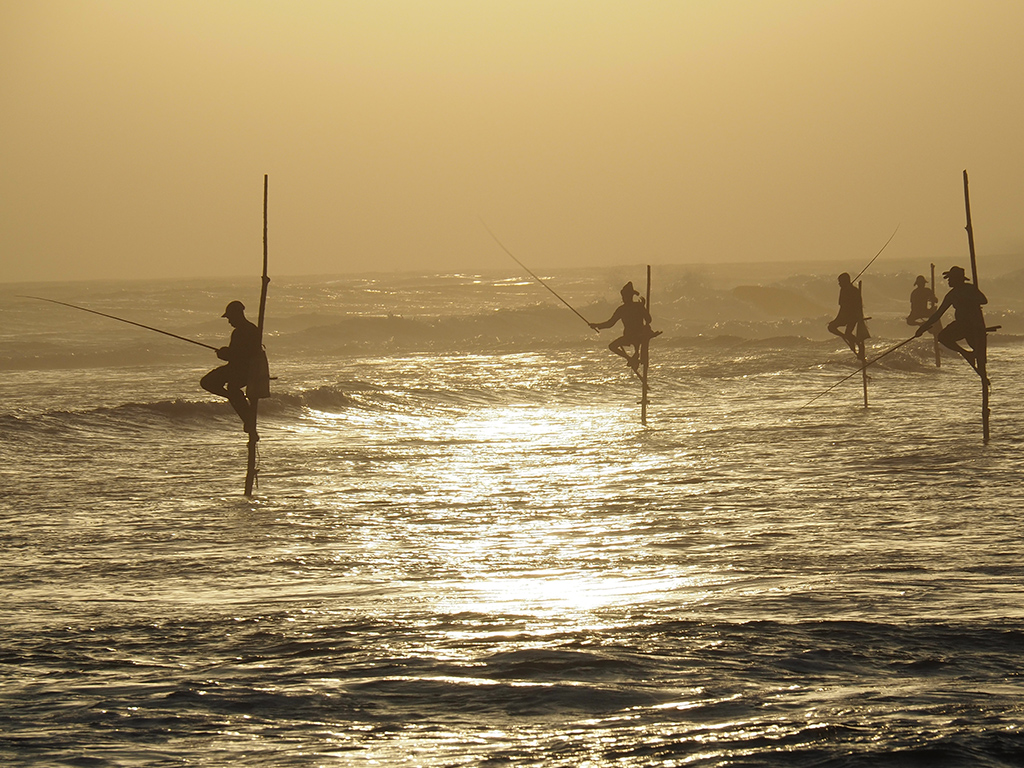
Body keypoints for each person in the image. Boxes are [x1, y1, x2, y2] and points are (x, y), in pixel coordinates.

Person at [201, 300, 261, 437]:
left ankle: (238, 403)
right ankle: (235, 399)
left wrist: (224, 353)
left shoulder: (242, 331)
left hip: (243, 370)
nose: (229, 321)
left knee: (227, 387)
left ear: (237, 315)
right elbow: (237, 353)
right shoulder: (249, 329)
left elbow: (239, 355)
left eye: (230, 318)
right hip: (237, 368)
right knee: (208, 383)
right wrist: (226, 353)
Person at [915, 265, 988, 375]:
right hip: (961, 325)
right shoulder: (952, 295)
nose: (948, 281)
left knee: (980, 355)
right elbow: (938, 314)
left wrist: (967, 299)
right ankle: (966, 353)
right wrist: (923, 328)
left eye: (951, 279)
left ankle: (981, 371)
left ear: (957, 279)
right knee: (943, 337)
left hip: (975, 325)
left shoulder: (970, 288)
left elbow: (983, 300)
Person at [590, 282, 658, 372]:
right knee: (612, 346)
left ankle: (635, 356)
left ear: (630, 296)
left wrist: (643, 308)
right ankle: (631, 358)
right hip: (630, 336)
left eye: (626, 296)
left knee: (636, 340)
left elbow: (648, 320)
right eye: (623, 296)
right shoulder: (624, 309)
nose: (624, 298)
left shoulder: (635, 307)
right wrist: (596, 325)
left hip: (638, 336)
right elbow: (610, 323)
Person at [827, 272, 867, 353]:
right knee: (833, 328)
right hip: (846, 316)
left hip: (852, 317)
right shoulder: (844, 290)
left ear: (845, 281)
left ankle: (856, 343)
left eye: (840, 282)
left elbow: (854, 306)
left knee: (837, 329)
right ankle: (848, 338)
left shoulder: (853, 291)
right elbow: (842, 306)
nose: (839, 284)